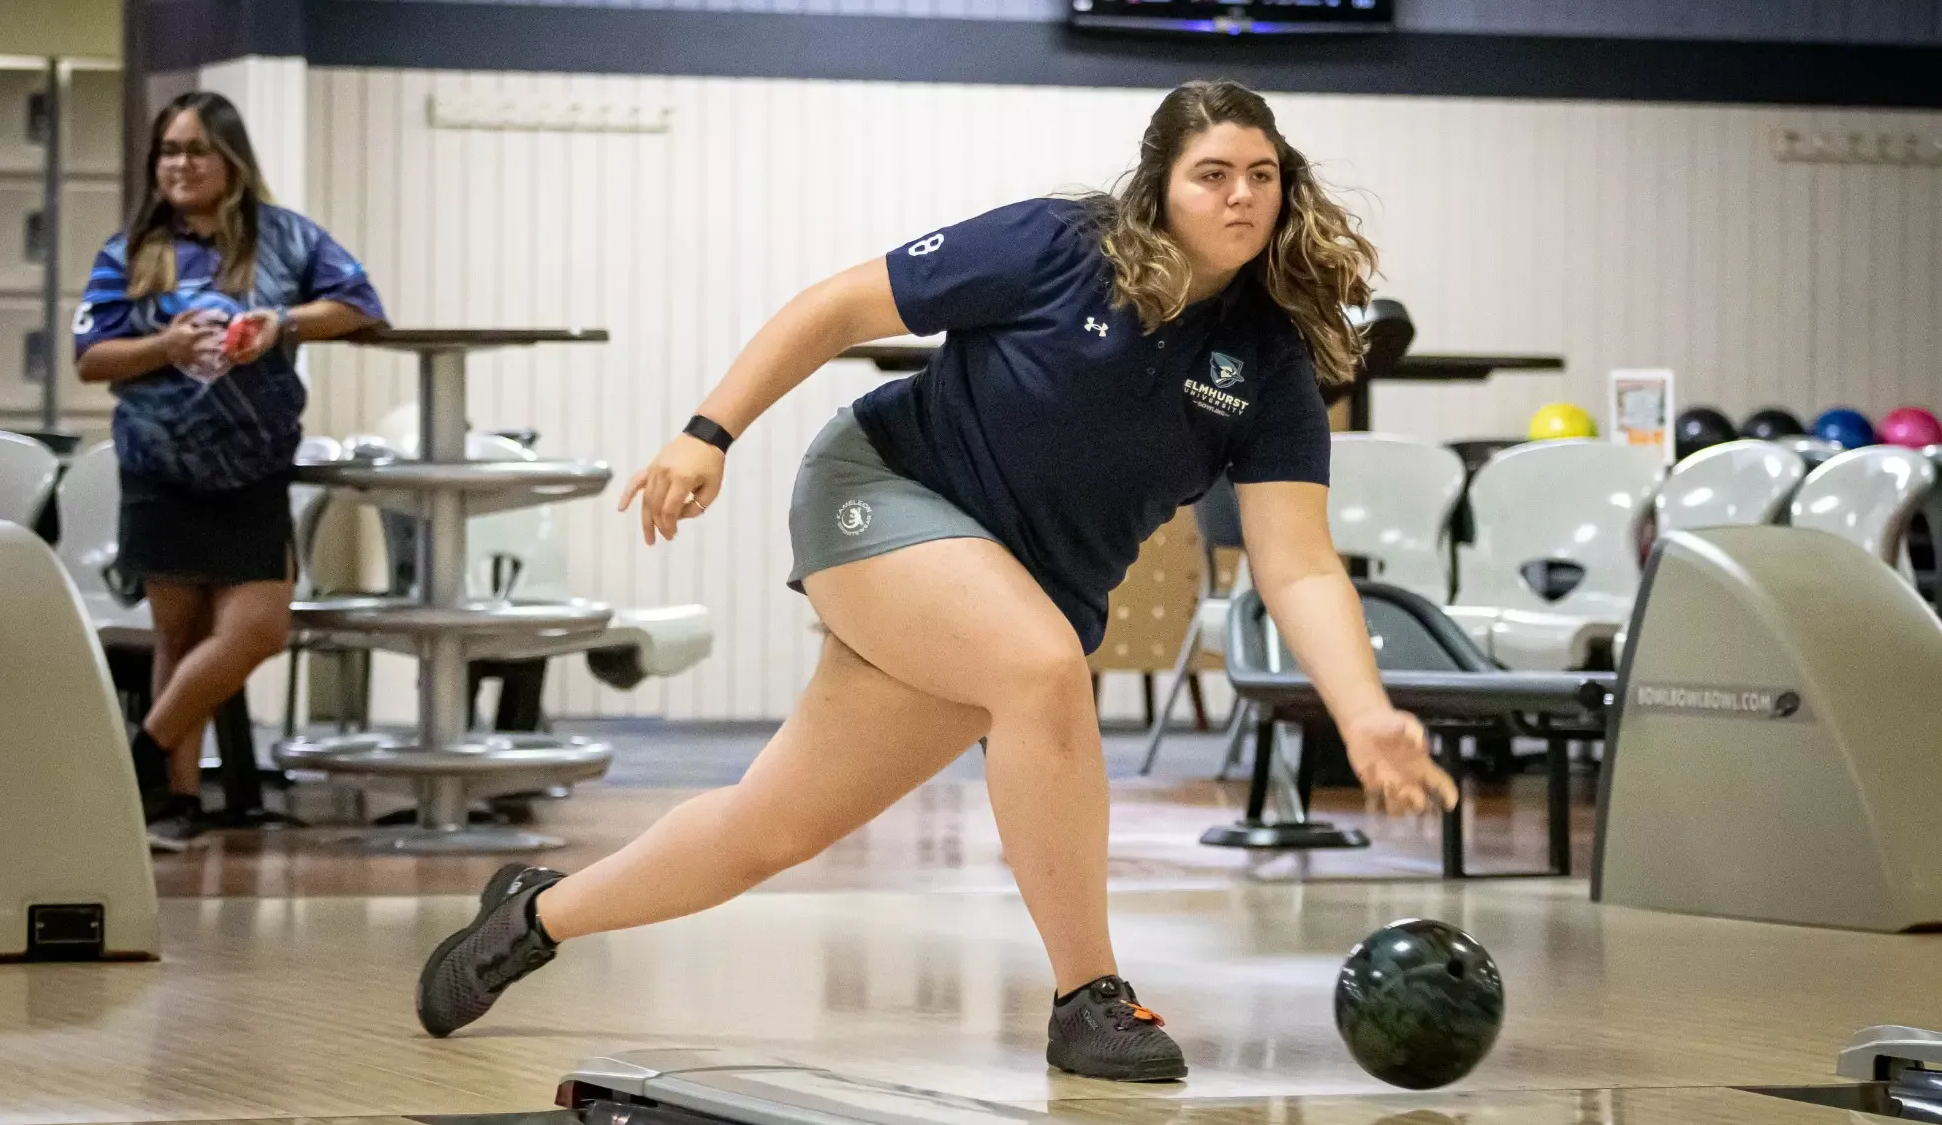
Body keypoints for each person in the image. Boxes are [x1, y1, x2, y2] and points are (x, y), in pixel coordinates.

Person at [415, 79, 1456, 1081]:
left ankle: (534, 915)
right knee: (1044, 670)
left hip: (1010, 582)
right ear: (1158, 188)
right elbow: (831, 310)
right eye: (1211, 173)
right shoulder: (1056, 246)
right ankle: (1087, 998)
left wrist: (1361, 715)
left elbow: (1298, 563)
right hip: (881, 491)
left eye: (1260, 174)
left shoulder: (1265, 362)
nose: (1239, 196)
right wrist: (706, 433)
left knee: (765, 830)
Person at [75, 92, 385, 848]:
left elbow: (361, 304)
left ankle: (139, 756)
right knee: (177, 642)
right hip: (162, 472)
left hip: (253, 472)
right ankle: (172, 803)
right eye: (169, 151)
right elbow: (90, 358)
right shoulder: (131, 252)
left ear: (231, 161)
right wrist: (167, 347)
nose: (180, 164)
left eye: (196, 150)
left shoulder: (285, 241)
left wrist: (284, 323)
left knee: (256, 630)